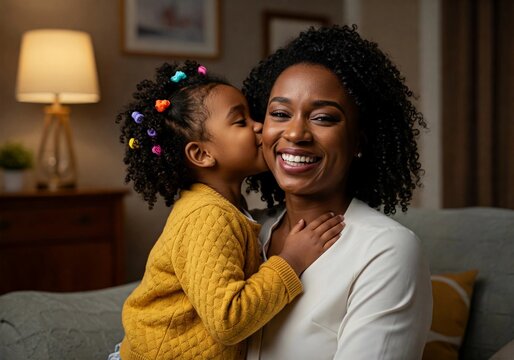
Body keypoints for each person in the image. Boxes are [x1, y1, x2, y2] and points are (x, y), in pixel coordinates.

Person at [113, 60, 345, 360]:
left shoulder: (228, 209)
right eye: (241, 121)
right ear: (201, 154)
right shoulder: (207, 216)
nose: (259, 125)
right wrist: (291, 259)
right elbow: (228, 320)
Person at [242, 25, 433, 359]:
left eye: (324, 118)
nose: (296, 133)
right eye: (280, 114)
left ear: (359, 139)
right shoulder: (242, 232)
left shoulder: (386, 251)